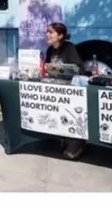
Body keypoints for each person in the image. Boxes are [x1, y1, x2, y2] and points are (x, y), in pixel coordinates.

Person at [44, 22, 87, 159]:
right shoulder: (49, 50)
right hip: (55, 87)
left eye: (51, 32)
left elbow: (78, 70)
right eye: (47, 32)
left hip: (70, 90)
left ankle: (76, 144)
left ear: (60, 35)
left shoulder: (69, 47)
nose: (47, 35)